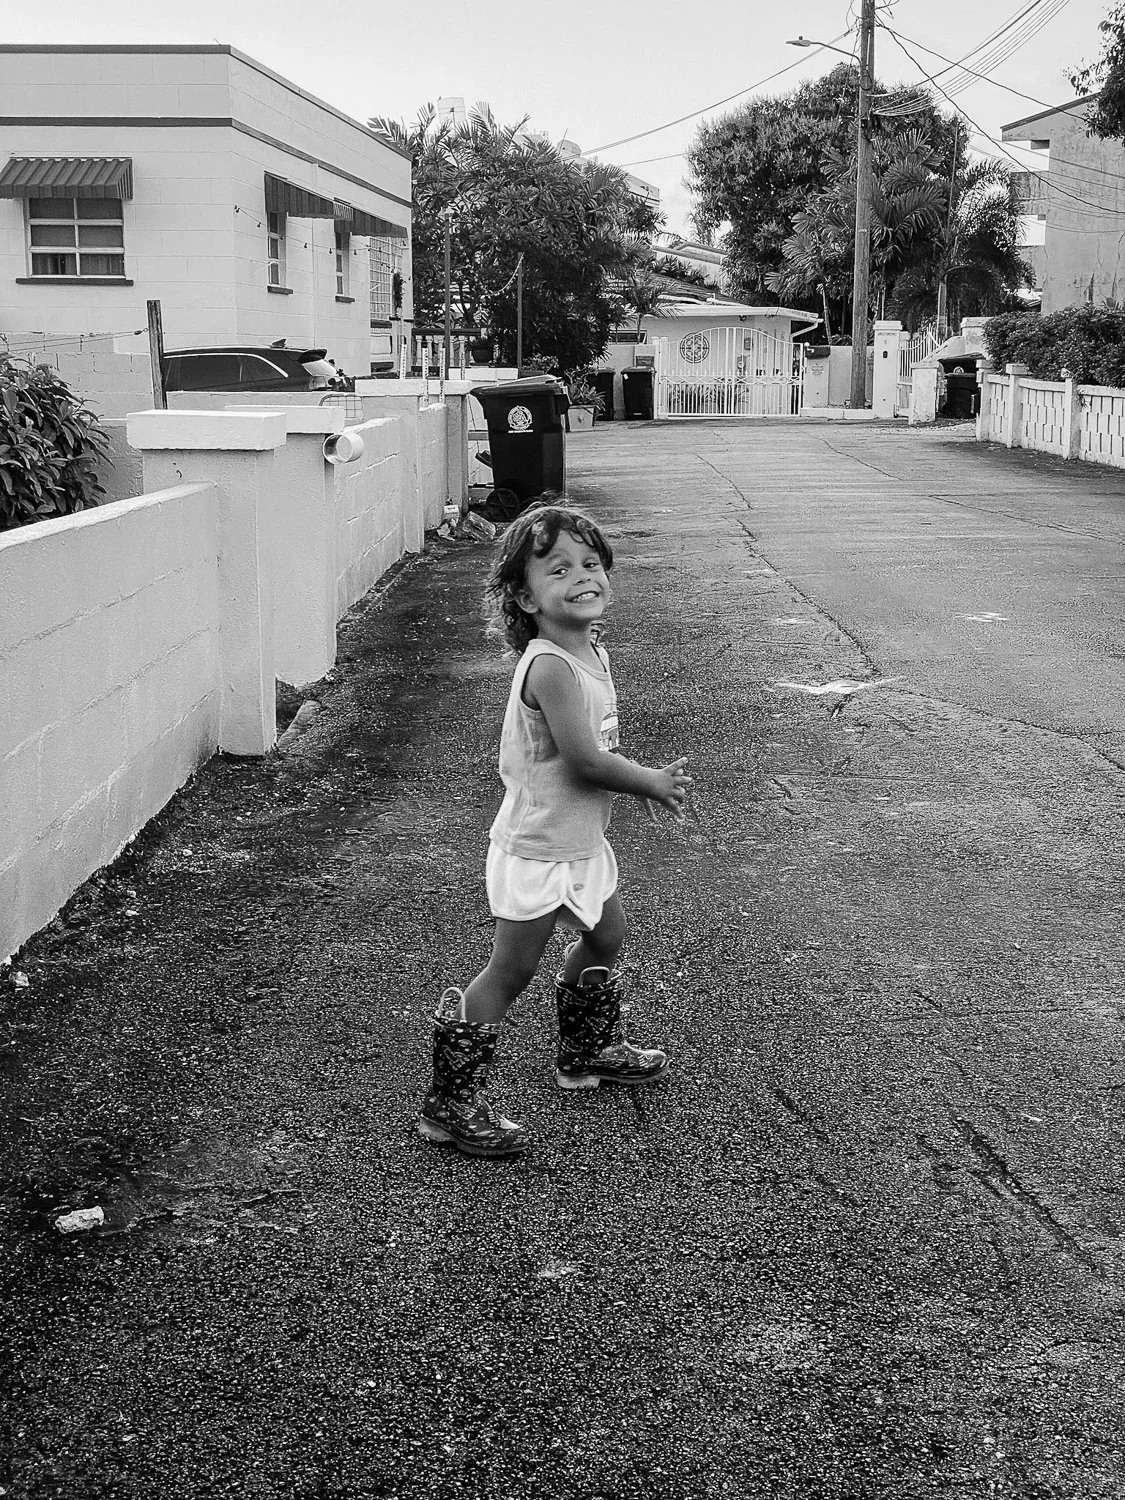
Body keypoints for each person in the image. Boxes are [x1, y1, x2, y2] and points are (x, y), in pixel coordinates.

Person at [417, 500, 692, 1159]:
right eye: (559, 569)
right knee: (510, 972)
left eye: (591, 563)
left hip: (579, 842)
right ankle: (449, 1104)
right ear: (525, 597)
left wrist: (631, 784)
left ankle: (586, 1050)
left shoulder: (589, 650)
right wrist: (648, 780)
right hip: (538, 849)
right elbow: (584, 760)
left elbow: (596, 751)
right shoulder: (550, 667)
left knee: (607, 935)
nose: (582, 576)